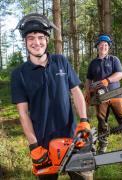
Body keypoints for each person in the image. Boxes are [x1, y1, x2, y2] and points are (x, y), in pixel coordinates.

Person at [11, 13, 93, 180]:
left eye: (41, 37)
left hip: (72, 137)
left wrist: (84, 120)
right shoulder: (18, 74)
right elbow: (23, 113)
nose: (37, 42)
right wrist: (34, 145)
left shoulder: (61, 61)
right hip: (43, 144)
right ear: (25, 42)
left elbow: (76, 91)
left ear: (47, 40)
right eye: (31, 38)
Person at [85, 34, 122, 153]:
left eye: (106, 45)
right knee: (102, 121)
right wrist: (88, 92)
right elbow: (88, 79)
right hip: (100, 96)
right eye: (101, 45)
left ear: (108, 47)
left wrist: (107, 80)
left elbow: (120, 74)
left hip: (116, 94)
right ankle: (103, 145)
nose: (103, 46)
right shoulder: (93, 63)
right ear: (97, 46)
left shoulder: (114, 59)